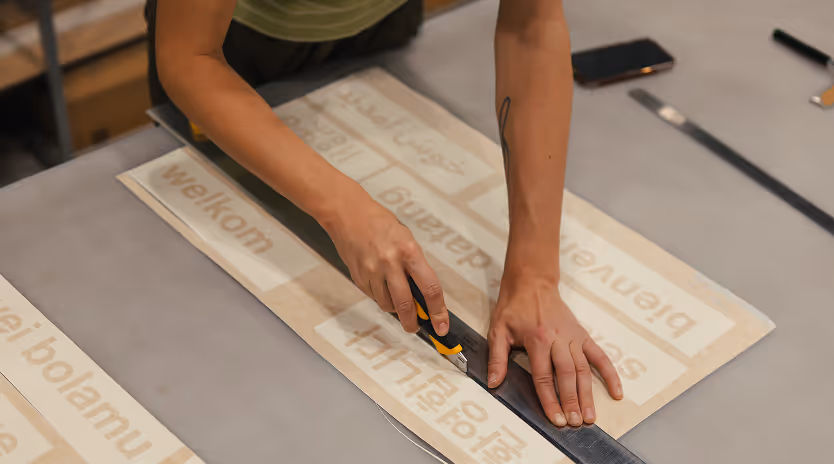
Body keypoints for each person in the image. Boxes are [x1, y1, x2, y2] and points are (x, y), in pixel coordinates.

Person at [146, 0, 623, 428]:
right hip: (239, 51)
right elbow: (189, 57)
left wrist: (535, 272)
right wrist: (343, 208)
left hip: (379, 28)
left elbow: (530, 25)